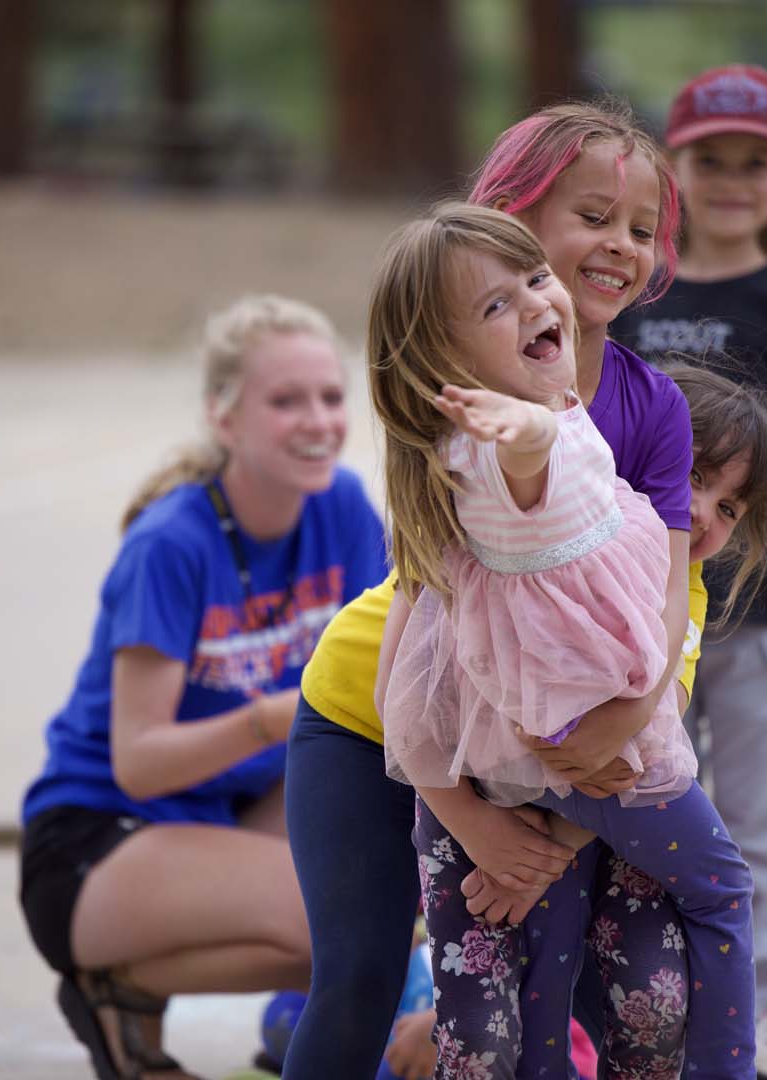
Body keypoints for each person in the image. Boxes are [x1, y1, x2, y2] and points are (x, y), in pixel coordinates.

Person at [281, 101, 709, 1080]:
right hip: (378, 717)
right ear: (512, 219)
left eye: (640, 229)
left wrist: (610, 757)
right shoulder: (457, 389)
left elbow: (669, 596)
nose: (618, 245)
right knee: (353, 979)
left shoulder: (649, 407)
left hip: (565, 738)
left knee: (623, 992)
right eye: (590, 216)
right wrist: (464, 811)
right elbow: (433, 620)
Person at [370, 205, 767, 1079]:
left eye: (532, 282)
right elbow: (527, 460)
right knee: (720, 893)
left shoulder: (523, 443)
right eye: (495, 306)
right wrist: (528, 428)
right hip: (579, 753)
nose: (533, 303)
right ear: (443, 362)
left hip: (532, 755)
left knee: (548, 976)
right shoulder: (512, 450)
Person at [17, 295, 388, 1080]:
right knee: (345, 924)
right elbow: (139, 762)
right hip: (98, 837)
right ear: (224, 419)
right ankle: (112, 986)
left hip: (228, 814)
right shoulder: (170, 544)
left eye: (330, 396)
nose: (318, 420)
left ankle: (159, 998)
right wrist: (265, 718)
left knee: (387, 880)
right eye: (285, 401)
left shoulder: (346, 509)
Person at [611, 65, 767, 1080]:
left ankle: (746, 1040)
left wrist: (722, 496)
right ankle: (645, 1036)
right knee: (644, 838)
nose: (728, 180)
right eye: (708, 160)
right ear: (673, 170)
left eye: (752, 163)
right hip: (638, 619)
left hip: (754, 620)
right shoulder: (631, 294)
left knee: (748, 839)